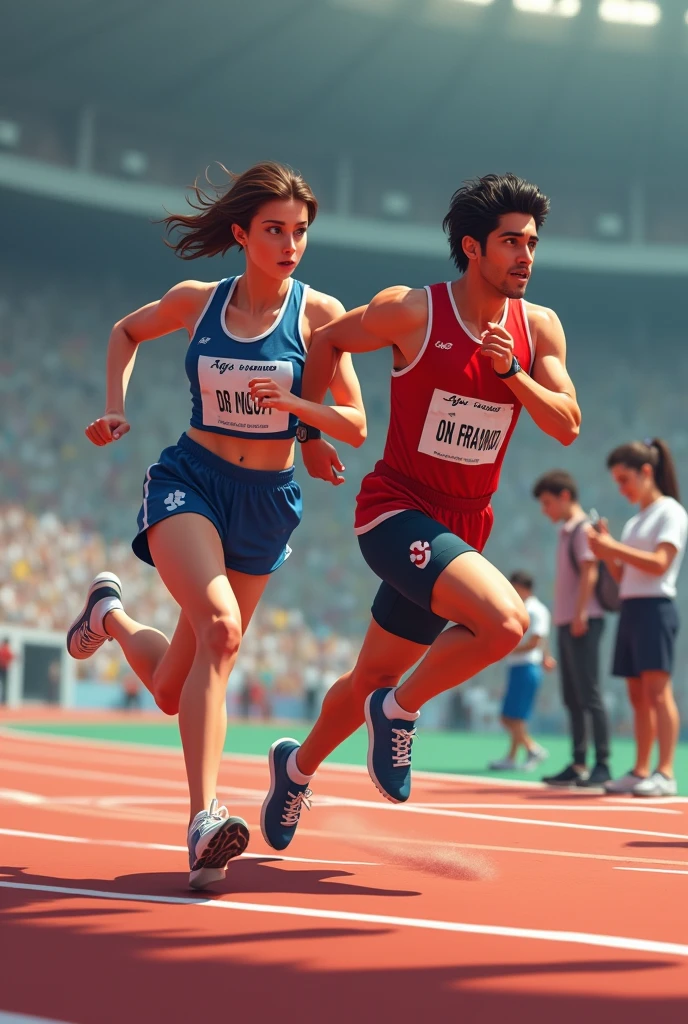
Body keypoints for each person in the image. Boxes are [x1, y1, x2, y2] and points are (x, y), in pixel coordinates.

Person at [255, 172, 581, 852]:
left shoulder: (539, 327)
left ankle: (295, 767)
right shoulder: (411, 311)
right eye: (511, 243)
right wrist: (308, 437)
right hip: (397, 511)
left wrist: (513, 372)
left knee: (371, 673)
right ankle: (400, 712)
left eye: (533, 243)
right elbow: (327, 342)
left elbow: (568, 424)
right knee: (506, 624)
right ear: (472, 247)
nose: (526, 256)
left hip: (464, 525)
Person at [65, 161, 365, 888]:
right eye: (274, 230)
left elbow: (354, 422)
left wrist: (302, 418)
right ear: (241, 234)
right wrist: (115, 407)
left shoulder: (321, 315)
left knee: (177, 686)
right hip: (190, 483)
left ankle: (108, 618)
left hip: (266, 502)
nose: (290, 243)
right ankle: (205, 822)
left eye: (300, 231)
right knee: (222, 632)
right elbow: (125, 332)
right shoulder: (200, 303)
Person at [587, 439, 686, 798]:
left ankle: (665, 772)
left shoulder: (670, 512)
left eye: (624, 479)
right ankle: (641, 769)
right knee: (636, 694)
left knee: (658, 692)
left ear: (647, 472)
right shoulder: (636, 521)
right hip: (631, 607)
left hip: (655, 608)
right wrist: (606, 549)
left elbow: (660, 564)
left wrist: (613, 548)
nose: (621, 488)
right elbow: (621, 575)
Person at [533, 470, 611, 787]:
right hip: (568, 621)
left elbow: (590, 572)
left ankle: (602, 763)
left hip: (584, 620)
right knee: (572, 696)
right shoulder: (566, 531)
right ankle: (579, 762)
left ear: (565, 496)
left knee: (589, 694)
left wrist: (579, 614)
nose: (545, 510)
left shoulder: (581, 529)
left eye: (548, 502)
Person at [488, 571, 553, 772]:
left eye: (514, 587)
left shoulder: (536, 610)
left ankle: (533, 749)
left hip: (527, 668)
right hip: (518, 667)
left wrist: (507, 649)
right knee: (514, 717)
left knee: (511, 717)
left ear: (523, 588)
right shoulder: (524, 608)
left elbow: (535, 641)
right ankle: (512, 757)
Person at [0, 638, 15, 705]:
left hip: (2, 668)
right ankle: (4, 700)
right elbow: (12, 657)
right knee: (5, 685)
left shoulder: (2, 649)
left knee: (4, 684)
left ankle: (3, 700)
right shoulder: (7, 649)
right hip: (4, 668)